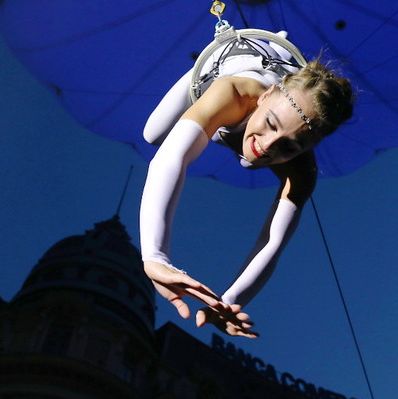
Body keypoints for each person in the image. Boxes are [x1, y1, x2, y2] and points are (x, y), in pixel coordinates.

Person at [140, 33, 354, 338]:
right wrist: (155, 256)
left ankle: (276, 63)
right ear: (265, 97)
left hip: (272, 81)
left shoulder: (303, 171)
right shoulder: (232, 92)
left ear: (307, 149)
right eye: (270, 124)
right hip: (223, 61)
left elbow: (273, 242)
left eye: (289, 146)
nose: (267, 145)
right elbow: (171, 158)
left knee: (251, 159)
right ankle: (275, 43)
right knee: (154, 135)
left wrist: (229, 302)